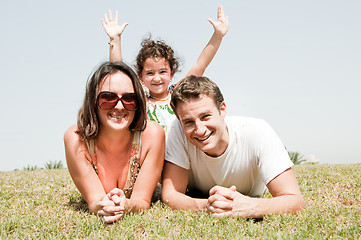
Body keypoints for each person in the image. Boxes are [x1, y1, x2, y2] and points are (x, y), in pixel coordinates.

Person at [162, 75, 305, 218]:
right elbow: (171, 195)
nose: (199, 130)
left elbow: (294, 199)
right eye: (188, 122)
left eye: (205, 116)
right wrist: (207, 206)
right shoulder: (178, 130)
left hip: (252, 196)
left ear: (222, 109)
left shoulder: (257, 131)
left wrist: (251, 207)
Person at [64, 62, 165, 224]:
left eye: (129, 99)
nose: (119, 106)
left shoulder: (153, 135)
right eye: (108, 98)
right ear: (93, 101)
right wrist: (103, 206)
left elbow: (142, 201)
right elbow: (94, 201)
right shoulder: (76, 139)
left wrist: (126, 206)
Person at [101, 5, 229, 132]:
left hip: (178, 152)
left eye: (162, 72)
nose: (157, 78)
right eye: (150, 73)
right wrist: (115, 39)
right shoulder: (141, 100)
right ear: (141, 76)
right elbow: (119, 73)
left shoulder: (177, 95)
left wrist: (218, 36)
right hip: (150, 152)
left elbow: (201, 64)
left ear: (171, 73)